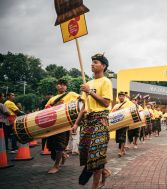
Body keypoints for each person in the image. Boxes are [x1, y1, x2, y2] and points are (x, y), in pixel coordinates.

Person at [72, 53, 113, 189]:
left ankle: (94, 186)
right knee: (86, 151)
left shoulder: (106, 81)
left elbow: (106, 103)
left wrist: (90, 92)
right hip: (87, 121)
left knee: (96, 155)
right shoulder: (88, 83)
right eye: (92, 62)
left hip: (100, 120)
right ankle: (104, 171)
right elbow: (84, 106)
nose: (92, 64)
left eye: (95, 62)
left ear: (103, 66)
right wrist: (76, 123)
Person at [45, 79, 80, 174]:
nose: (61, 86)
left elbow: (82, 100)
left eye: (63, 84)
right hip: (53, 126)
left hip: (64, 125)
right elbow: (46, 109)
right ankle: (63, 156)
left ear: (66, 87)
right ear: (57, 86)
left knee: (59, 146)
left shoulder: (71, 94)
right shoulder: (52, 99)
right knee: (51, 147)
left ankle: (56, 166)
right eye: (59, 84)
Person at [112, 92, 133, 157]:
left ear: (124, 97)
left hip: (125, 123)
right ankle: (123, 150)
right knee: (118, 138)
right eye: (120, 96)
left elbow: (133, 106)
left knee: (122, 136)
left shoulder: (128, 103)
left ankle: (120, 151)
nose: (121, 97)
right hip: (118, 124)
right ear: (118, 97)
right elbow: (112, 113)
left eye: (122, 96)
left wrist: (128, 96)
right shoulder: (116, 105)